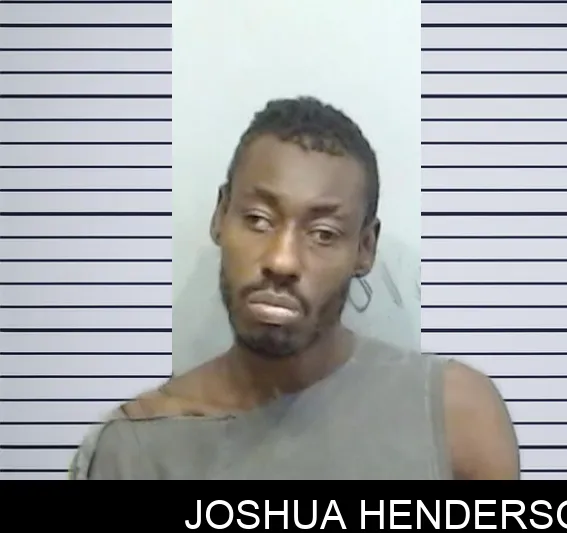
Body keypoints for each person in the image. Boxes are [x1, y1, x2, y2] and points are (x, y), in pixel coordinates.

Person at [68, 96, 520, 480]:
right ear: (220, 215)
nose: (282, 261)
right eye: (258, 220)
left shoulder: (454, 414)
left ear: (364, 248)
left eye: (323, 233)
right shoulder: (135, 447)